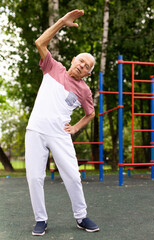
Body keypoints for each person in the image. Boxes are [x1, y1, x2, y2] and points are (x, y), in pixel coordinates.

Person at [25, 9, 99, 236]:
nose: (82, 66)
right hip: (35, 130)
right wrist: (62, 22)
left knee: (73, 176)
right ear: (73, 59)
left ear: (87, 74)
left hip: (59, 134)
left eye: (87, 66)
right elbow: (40, 42)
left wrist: (75, 127)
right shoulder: (52, 67)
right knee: (35, 177)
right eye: (81, 61)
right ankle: (41, 220)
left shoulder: (84, 90)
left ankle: (81, 217)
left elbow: (90, 113)